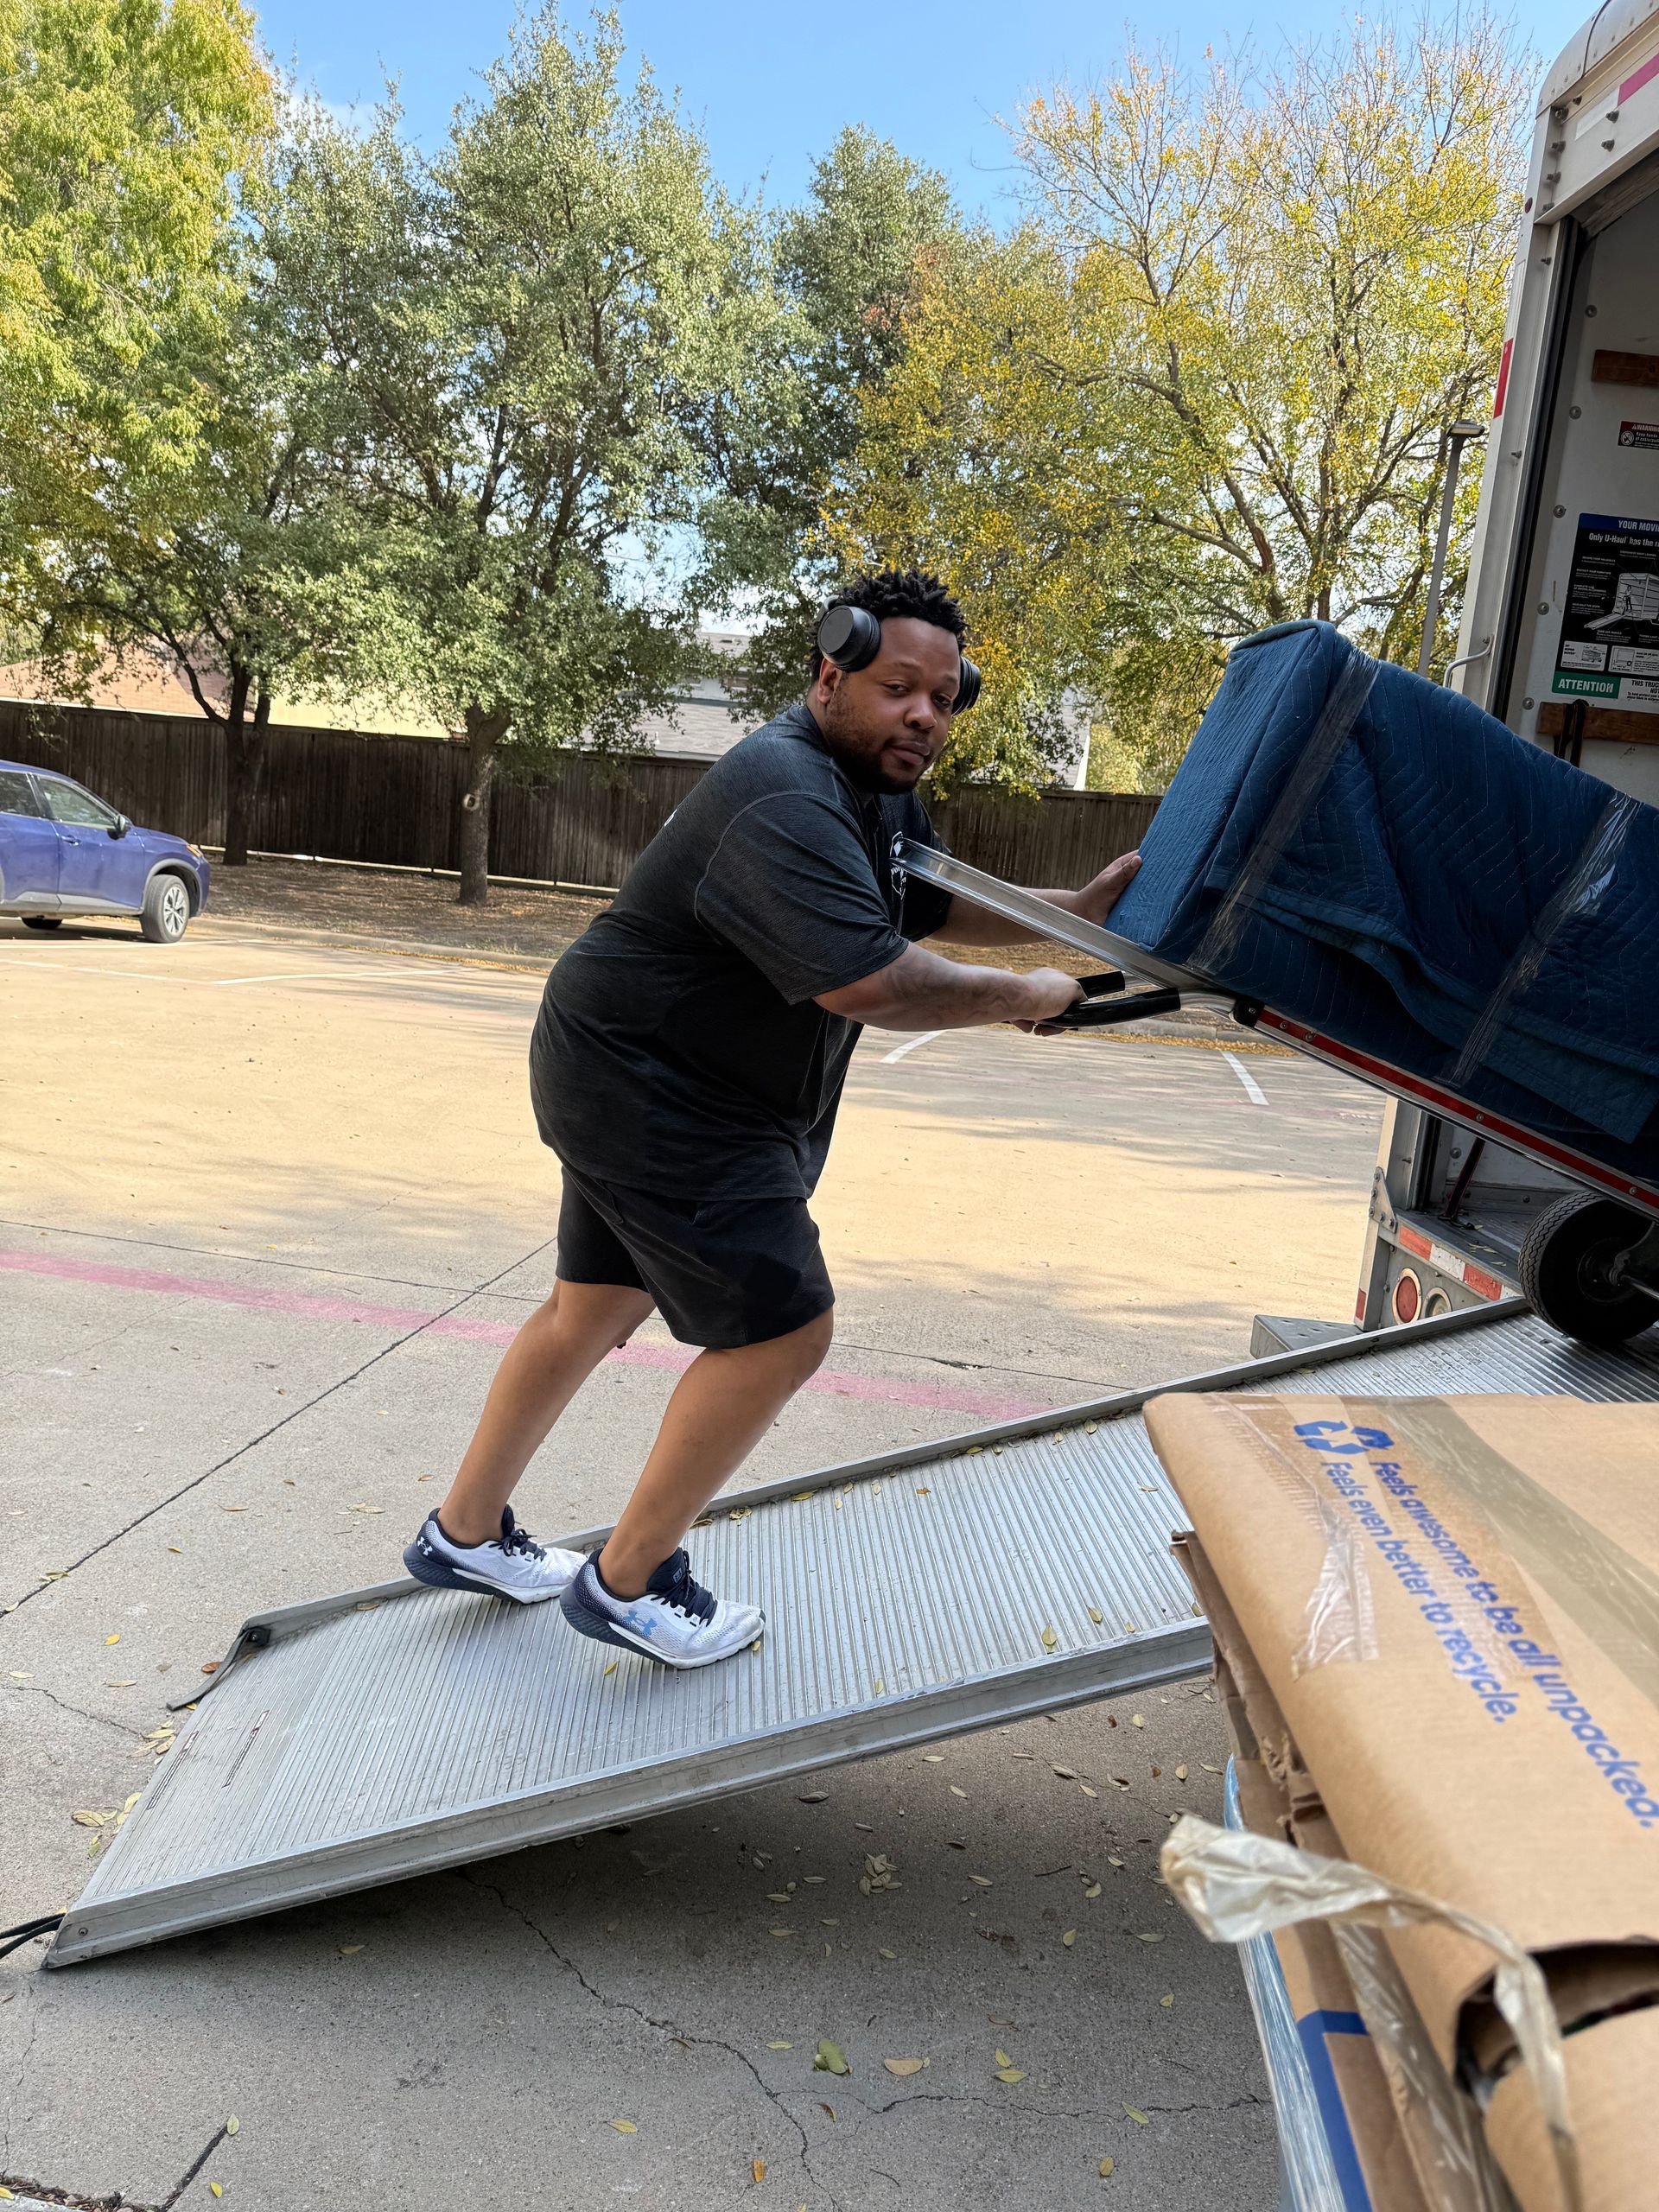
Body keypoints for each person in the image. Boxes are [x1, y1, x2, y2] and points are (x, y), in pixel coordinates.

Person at [404, 568, 1141, 1667]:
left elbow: (919, 898)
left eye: (943, 697)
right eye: (900, 688)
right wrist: (1029, 995)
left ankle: (463, 1535)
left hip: (632, 1064)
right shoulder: (786, 791)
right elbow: (875, 981)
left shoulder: (875, 787)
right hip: (663, 1090)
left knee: (592, 1308)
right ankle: (629, 1579)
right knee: (784, 1330)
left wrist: (1061, 921)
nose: (924, 717)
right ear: (830, 667)